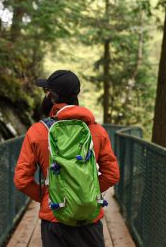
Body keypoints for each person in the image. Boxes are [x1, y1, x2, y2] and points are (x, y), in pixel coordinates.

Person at [14, 70, 120, 247]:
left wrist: (50, 195)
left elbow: (21, 180)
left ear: (52, 97)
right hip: (89, 218)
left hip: (54, 216)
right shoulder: (97, 131)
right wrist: (86, 193)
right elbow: (112, 174)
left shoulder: (37, 132)